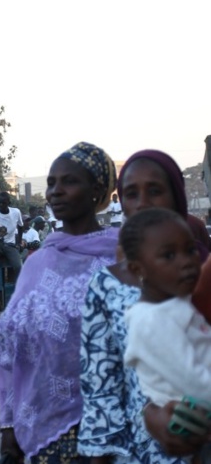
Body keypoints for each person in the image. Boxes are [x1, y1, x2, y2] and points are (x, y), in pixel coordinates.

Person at [79, 148, 211, 463]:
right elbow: (102, 384)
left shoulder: (203, 274)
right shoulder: (104, 286)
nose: (143, 203)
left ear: (176, 197)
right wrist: (103, 452)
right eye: (131, 193)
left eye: (155, 190)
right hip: (139, 451)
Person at [0, 142, 118, 463]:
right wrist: (8, 425)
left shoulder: (121, 258)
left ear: (97, 190)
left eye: (70, 181)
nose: (56, 192)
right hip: (43, 433)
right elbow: (10, 347)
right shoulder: (38, 263)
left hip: (115, 432)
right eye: (51, 183)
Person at [123, 209, 211, 414]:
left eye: (190, 250)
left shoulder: (178, 301)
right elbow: (197, 386)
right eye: (169, 255)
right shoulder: (151, 320)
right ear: (138, 269)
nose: (187, 261)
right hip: (194, 426)